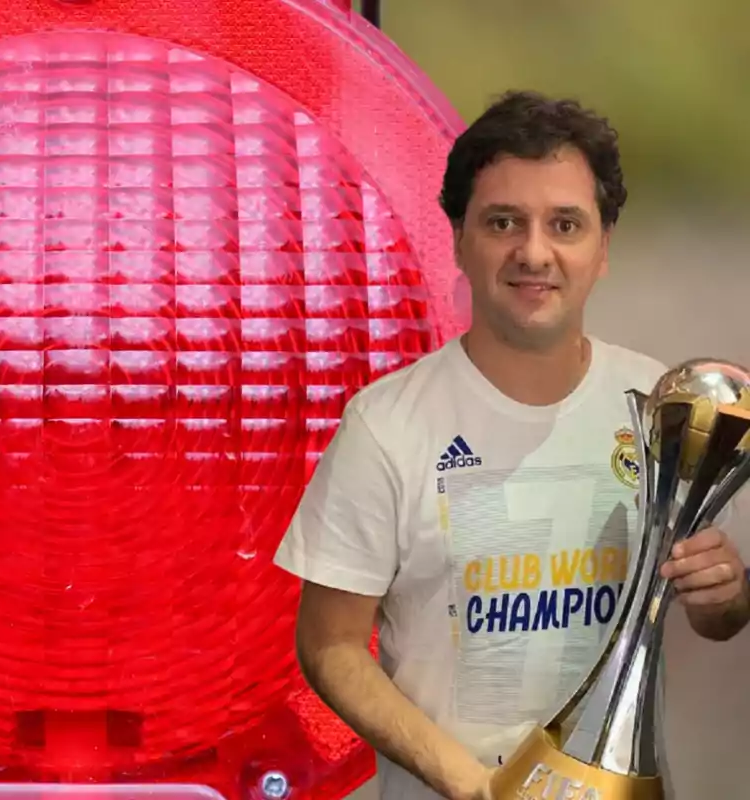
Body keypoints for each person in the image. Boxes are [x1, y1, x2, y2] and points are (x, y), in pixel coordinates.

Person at [273, 90, 750, 800]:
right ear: (460, 240)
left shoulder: (659, 407)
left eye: (565, 224)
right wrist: (468, 784)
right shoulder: (386, 425)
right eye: (503, 222)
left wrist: (725, 593)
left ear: (602, 248)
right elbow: (330, 645)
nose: (534, 252)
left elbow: (718, 617)